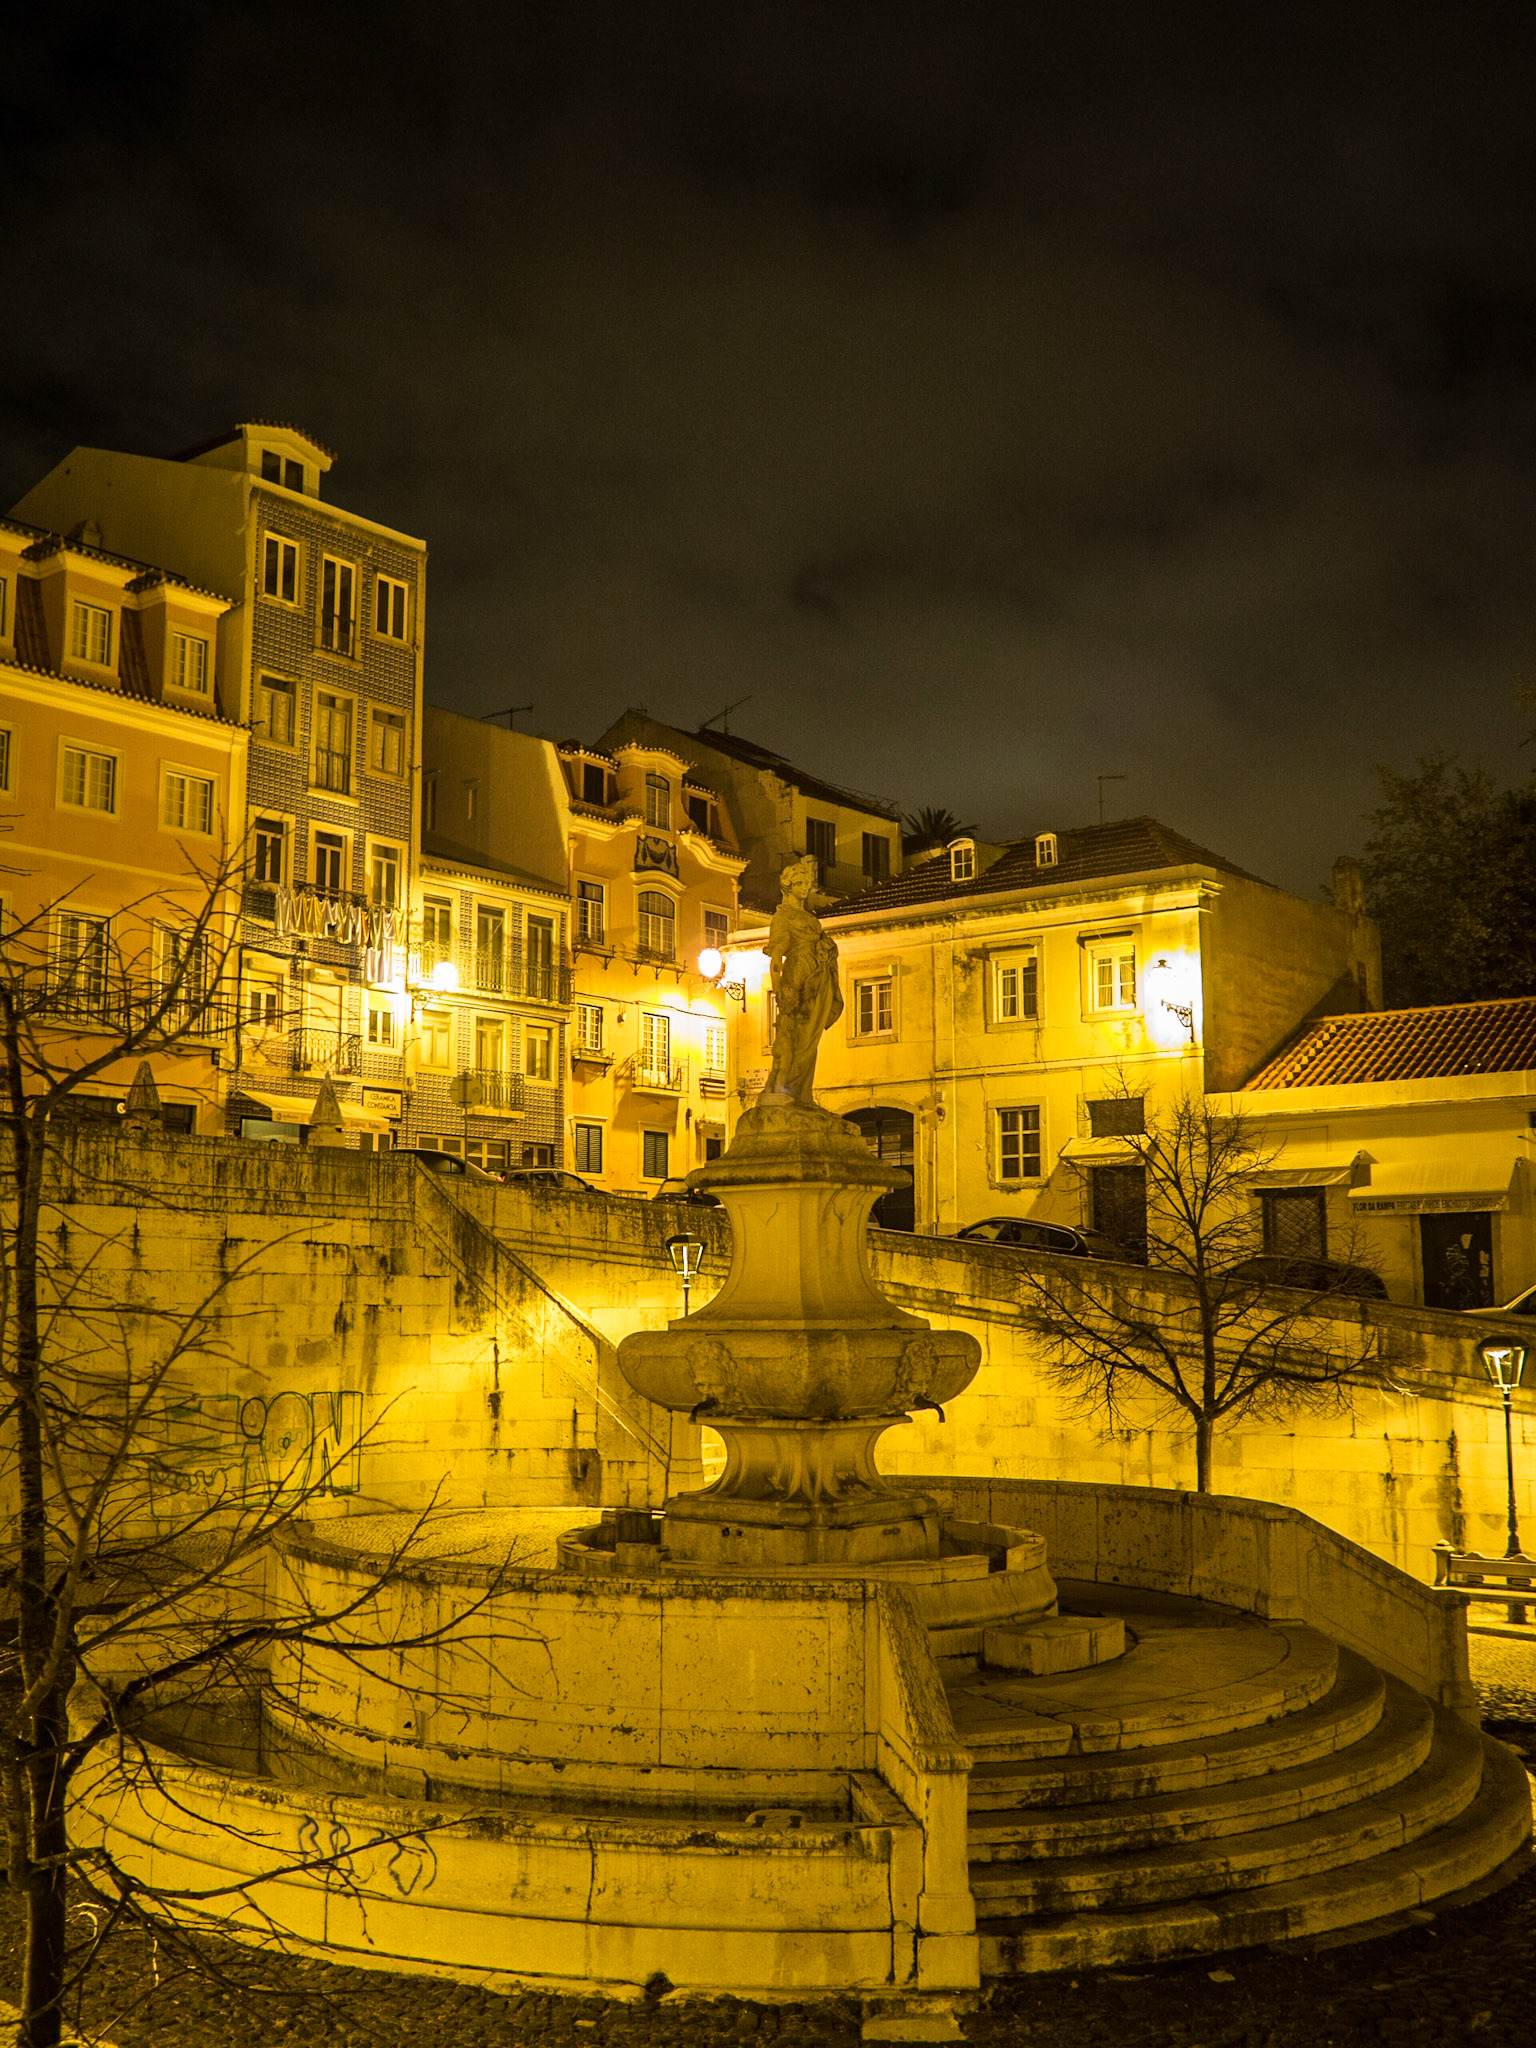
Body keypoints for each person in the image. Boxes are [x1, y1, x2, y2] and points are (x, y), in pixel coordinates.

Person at [762, 856, 843, 1108]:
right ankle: (787, 1089)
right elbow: (777, 954)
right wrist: (779, 990)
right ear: (788, 886)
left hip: (819, 978)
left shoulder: (810, 918)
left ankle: (802, 1094)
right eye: (800, 882)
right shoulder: (782, 917)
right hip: (798, 975)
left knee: (812, 1038)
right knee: (797, 1036)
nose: (806, 888)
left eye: (807, 883)